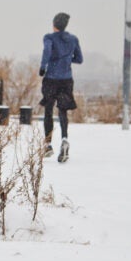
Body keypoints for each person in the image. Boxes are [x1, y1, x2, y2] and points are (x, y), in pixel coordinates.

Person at [39, 12, 83, 163]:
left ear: (54, 24)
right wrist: (66, 58)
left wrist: (43, 67)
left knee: (48, 110)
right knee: (63, 111)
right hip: (66, 79)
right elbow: (79, 59)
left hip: (51, 79)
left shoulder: (49, 38)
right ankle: (64, 139)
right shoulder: (73, 39)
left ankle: (48, 144)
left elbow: (46, 51)